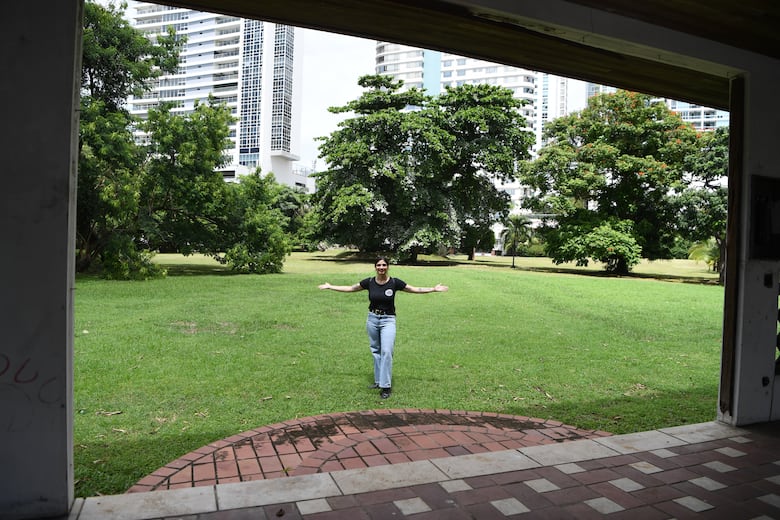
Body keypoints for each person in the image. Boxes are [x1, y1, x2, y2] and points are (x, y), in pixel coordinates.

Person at [318, 256, 448, 399]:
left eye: (384, 265)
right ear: (375, 267)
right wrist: (330, 286)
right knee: (376, 351)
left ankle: (386, 386)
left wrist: (433, 289)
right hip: (372, 319)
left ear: (388, 267)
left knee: (386, 351)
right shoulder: (369, 282)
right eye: (379, 265)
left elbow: (414, 289)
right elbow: (351, 288)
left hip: (388, 320)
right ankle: (378, 380)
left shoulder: (394, 282)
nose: (381, 268)